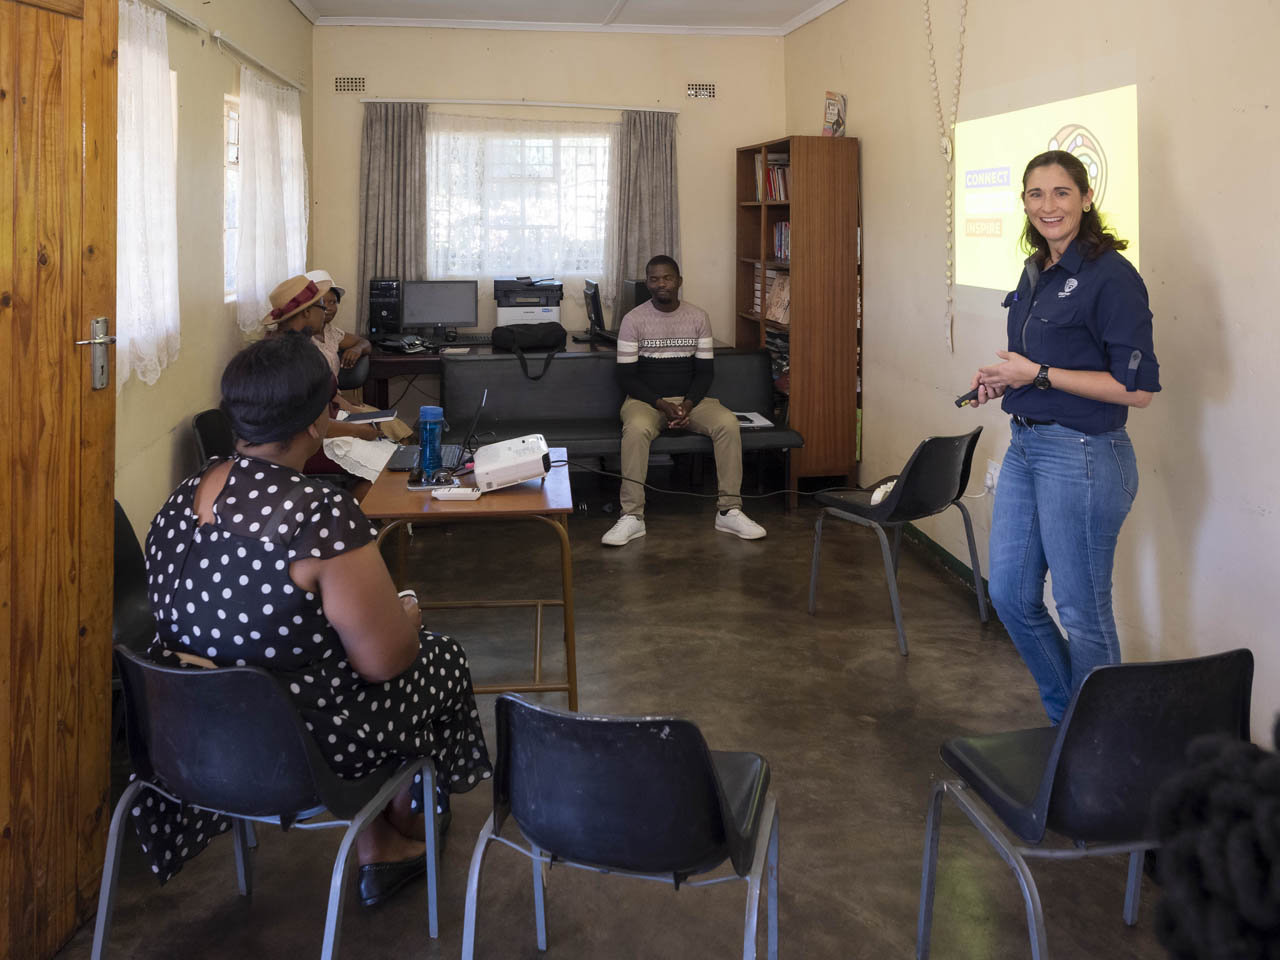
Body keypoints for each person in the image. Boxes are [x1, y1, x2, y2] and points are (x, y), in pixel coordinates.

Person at [131, 332, 491, 907]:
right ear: (321, 418)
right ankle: (394, 826)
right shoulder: (318, 514)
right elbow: (383, 661)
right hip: (295, 751)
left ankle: (383, 829)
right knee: (436, 657)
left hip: (188, 739)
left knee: (315, 667)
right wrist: (407, 615)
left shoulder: (182, 497)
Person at [967, 150, 1160, 723]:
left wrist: (1040, 375)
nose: (1047, 206)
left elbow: (1138, 391)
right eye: (1035, 194)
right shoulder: (1036, 271)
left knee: (1082, 612)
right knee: (1009, 595)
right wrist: (1007, 380)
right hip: (1028, 445)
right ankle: (1071, 722)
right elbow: (1041, 362)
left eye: (1060, 193)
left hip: (1083, 456)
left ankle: (1101, 744)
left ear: (1086, 198)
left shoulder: (1113, 277)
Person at [600, 255, 766, 546]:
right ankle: (632, 517)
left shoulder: (698, 317)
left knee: (727, 423)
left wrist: (687, 405)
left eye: (667, 278)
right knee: (636, 430)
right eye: (654, 279)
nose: (660, 284)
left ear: (679, 281)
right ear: (648, 283)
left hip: (692, 401)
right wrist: (662, 405)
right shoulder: (633, 319)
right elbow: (626, 377)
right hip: (645, 401)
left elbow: (704, 373)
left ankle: (729, 510)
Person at [305, 268, 373, 375]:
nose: (329, 308)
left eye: (333, 302)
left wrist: (357, 349)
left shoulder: (330, 332)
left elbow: (365, 343)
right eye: (323, 302)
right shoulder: (300, 337)